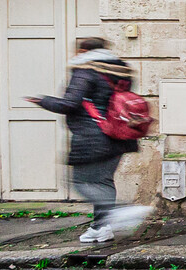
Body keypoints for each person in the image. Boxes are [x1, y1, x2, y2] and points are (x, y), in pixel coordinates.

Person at [31, 37, 152, 244]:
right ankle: (101, 228)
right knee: (103, 181)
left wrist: (42, 100)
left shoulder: (85, 70)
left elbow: (69, 104)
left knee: (78, 181)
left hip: (93, 136)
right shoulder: (121, 69)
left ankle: (120, 211)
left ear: (83, 50)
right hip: (121, 134)